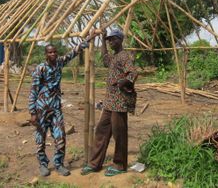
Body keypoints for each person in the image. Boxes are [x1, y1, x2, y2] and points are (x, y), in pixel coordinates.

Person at [81, 28, 138, 177]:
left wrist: (122, 82)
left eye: (113, 39)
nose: (111, 42)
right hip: (109, 102)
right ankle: (94, 163)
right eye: (109, 40)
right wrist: (103, 39)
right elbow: (105, 57)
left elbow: (133, 73)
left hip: (119, 102)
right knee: (101, 130)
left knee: (119, 133)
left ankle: (120, 165)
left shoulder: (124, 56)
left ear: (120, 40)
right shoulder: (114, 57)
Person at [29, 41, 89, 177]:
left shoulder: (59, 63)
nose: (53, 54)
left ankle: (59, 164)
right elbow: (33, 91)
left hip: (56, 108)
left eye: (55, 51)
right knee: (40, 138)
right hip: (41, 109)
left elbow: (73, 52)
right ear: (46, 54)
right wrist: (32, 113)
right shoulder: (41, 69)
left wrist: (88, 40)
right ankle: (43, 164)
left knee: (60, 136)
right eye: (50, 52)